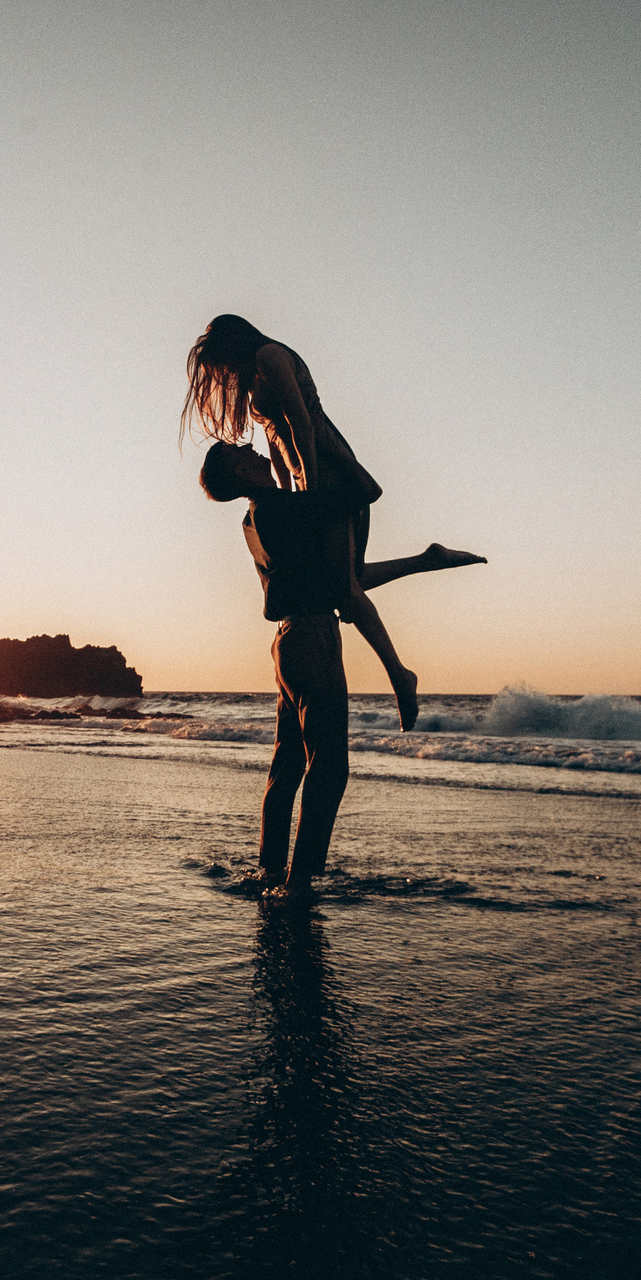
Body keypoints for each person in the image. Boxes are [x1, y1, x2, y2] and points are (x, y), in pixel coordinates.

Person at [199, 440, 481, 901]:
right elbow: (363, 491)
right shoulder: (282, 508)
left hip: (288, 647)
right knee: (328, 769)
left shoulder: (255, 519)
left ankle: (271, 873)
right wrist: (317, 440)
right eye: (239, 449)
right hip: (313, 640)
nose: (250, 445)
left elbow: (345, 579)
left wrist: (423, 563)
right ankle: (298, 886)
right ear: (239, 471)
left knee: (287, 768)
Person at [184, 314, 477, 730]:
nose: (222, 375)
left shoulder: (270, 355)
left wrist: (311, 491)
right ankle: (425, 562)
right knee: (346, 581)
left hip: (328, 470)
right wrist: (286, 493)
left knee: (343, 588)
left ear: (233, 343)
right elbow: (275, 440)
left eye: (219, 364)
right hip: (307, 476)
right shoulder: (255, 378)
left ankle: (399, 674)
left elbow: (304, 424)